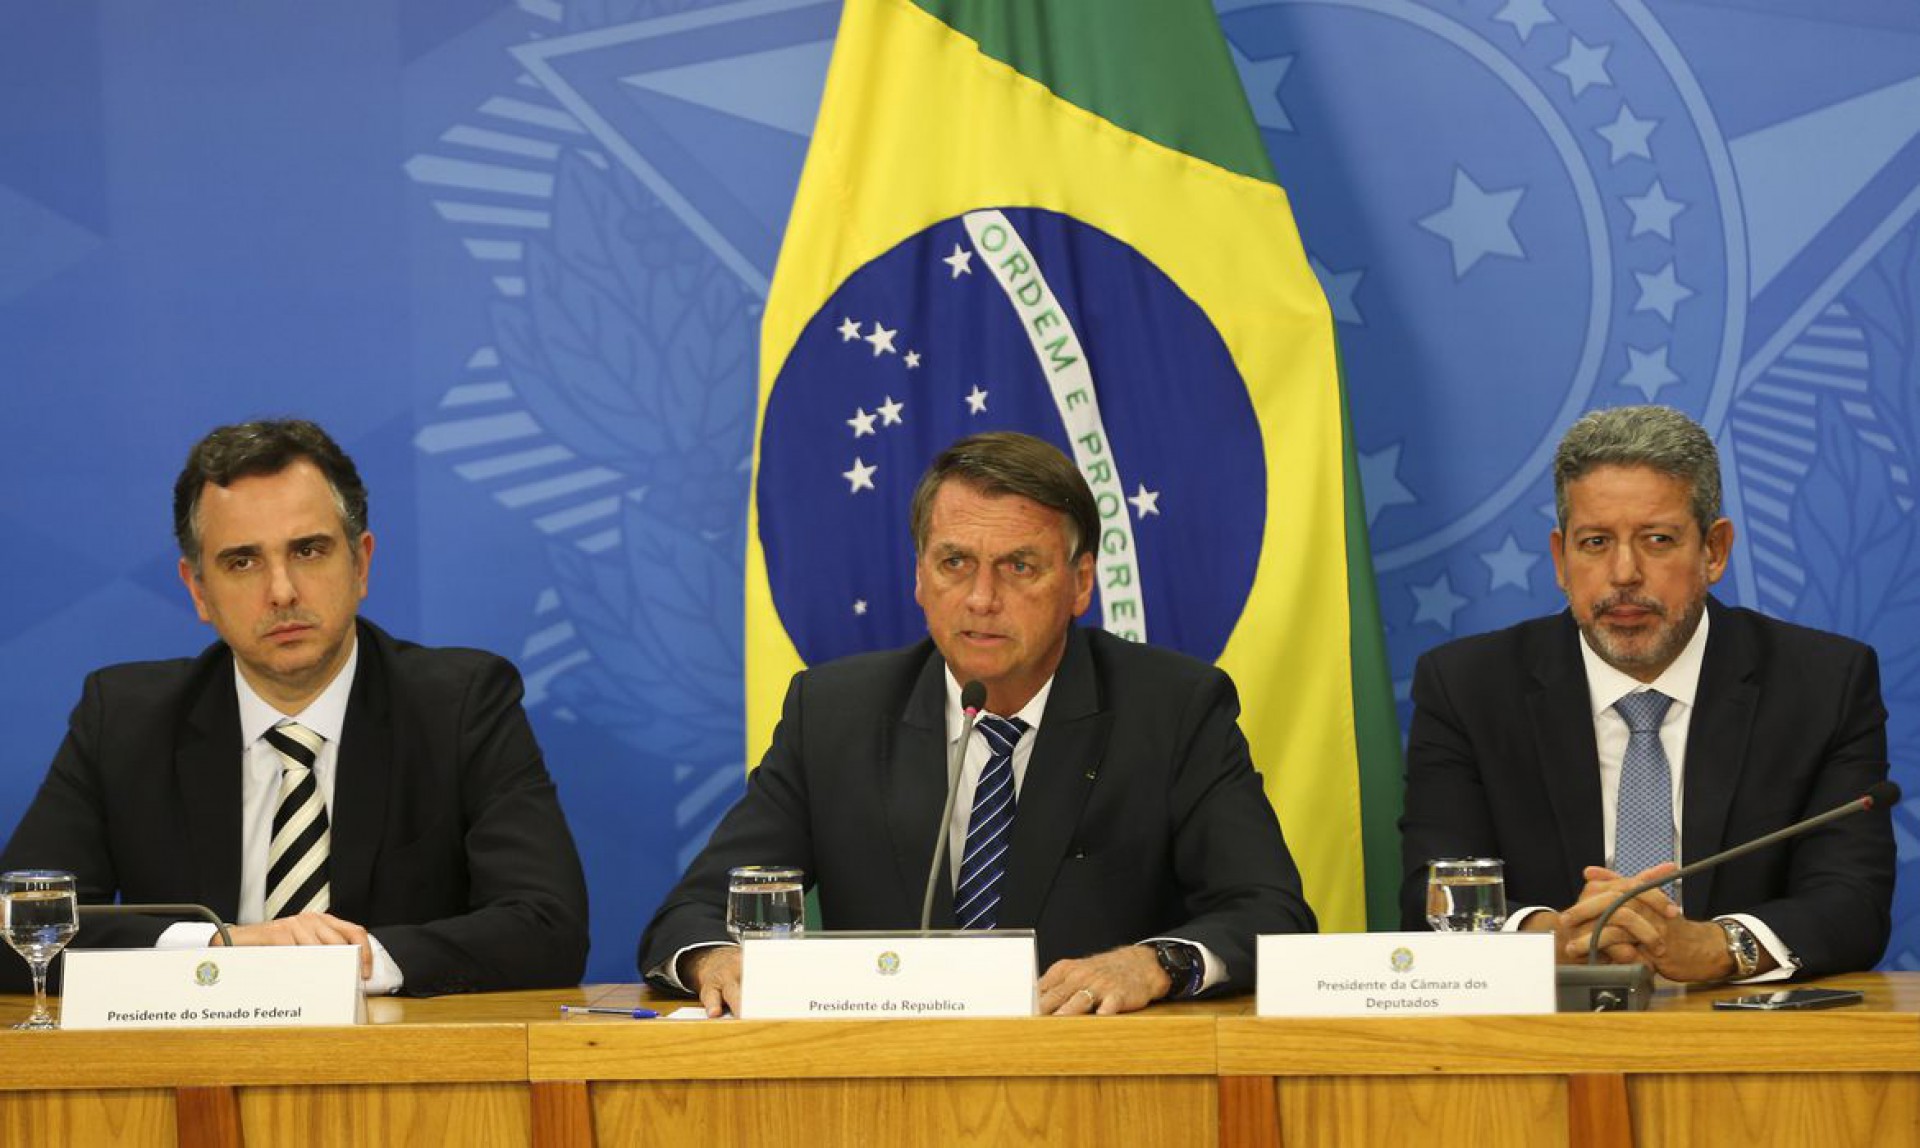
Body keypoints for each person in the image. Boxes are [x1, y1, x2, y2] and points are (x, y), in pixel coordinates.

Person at [641, 432, 1314, 1015]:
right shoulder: (834, 715)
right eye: (955, 563)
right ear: (920, 576)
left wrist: (1152, 964)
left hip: (1096, 1082)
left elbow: (1269, 915)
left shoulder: (1171, 709)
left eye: (1020, 566)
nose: (982, 599)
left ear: (1080, 583)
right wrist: (715, 961)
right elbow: (691, 916)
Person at [0, 419, 590, 995]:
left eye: (308, 550)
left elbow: (548, 926)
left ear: (361, 564)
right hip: (195, 1074)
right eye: (242, 561)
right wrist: (219, 949)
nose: (281, 591)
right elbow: (15, 933)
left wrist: (351, 963)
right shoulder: (126, 720)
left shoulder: (460, 706)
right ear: (198, 590)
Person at [1400, 405, 1892, 982]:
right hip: (1547, 1040)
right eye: (1595, 542)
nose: (1623, 573)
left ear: (1714, 549)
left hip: (1738, 1039)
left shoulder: (1822, 684)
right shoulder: (1468, 687)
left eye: (1657, 540)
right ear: (1561, 559)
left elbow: (1851, 903)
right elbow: (1433, 894)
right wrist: (1550, 939)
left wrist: (1716, 944)